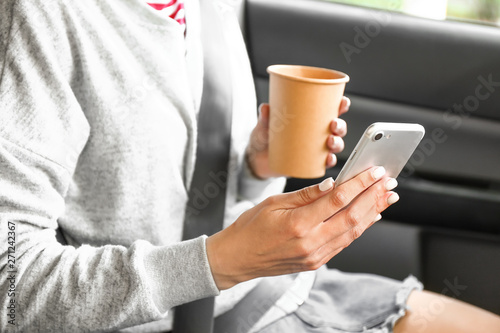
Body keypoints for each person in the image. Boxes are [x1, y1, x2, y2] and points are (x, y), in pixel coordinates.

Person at [0, 0, 499, 332]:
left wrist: (256, 163)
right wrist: (219, 261)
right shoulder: (44, 16)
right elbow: (11, 285)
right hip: (150, 317)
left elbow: (185, 193)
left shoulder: (208, 7)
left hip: (268, 295)